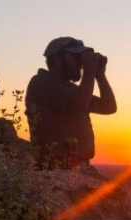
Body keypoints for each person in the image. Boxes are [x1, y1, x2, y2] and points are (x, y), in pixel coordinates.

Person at [26, 37, 116, 169]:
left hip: (76, 166)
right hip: (55, 167)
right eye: (76, 57)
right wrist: (89, 72)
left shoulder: (71, 89)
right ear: (57, 57)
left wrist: (100, 75)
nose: (80, 63)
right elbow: (78, 106)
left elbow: (108, 107)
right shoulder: (42, 81)